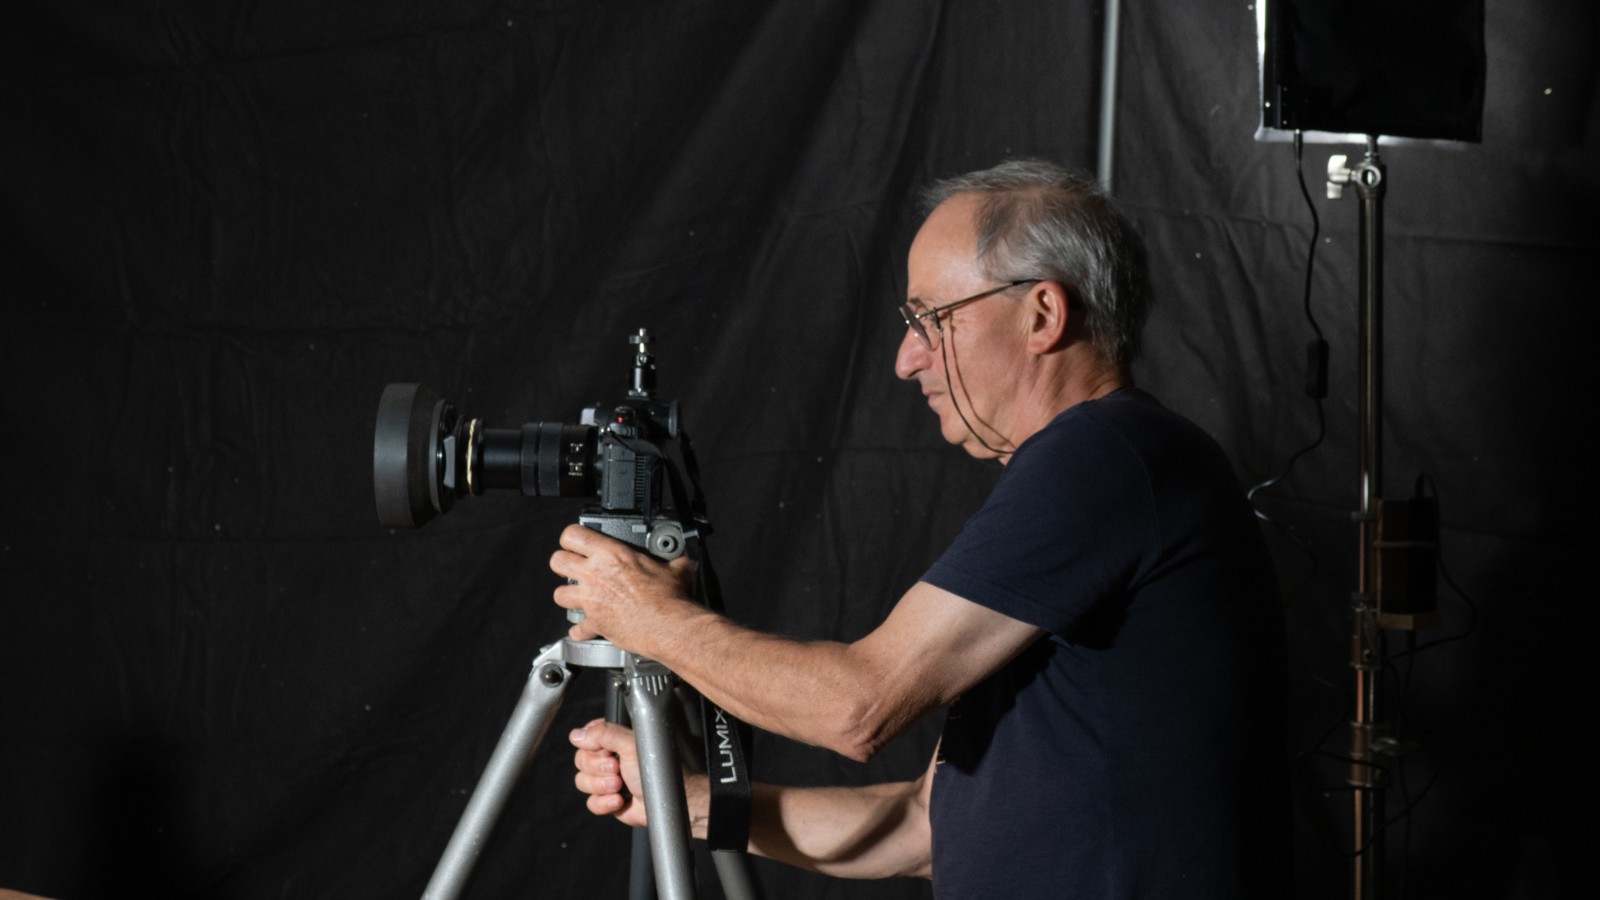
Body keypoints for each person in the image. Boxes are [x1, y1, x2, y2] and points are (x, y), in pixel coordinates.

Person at [552, 160, 1288, 897]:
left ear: (1042, 314)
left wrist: (648, 615)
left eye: (931, 319)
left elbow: (858, 708)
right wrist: (685, 801)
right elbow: (920, 826)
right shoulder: (1103, 473)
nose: (907, 360)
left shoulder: (1104, 456)